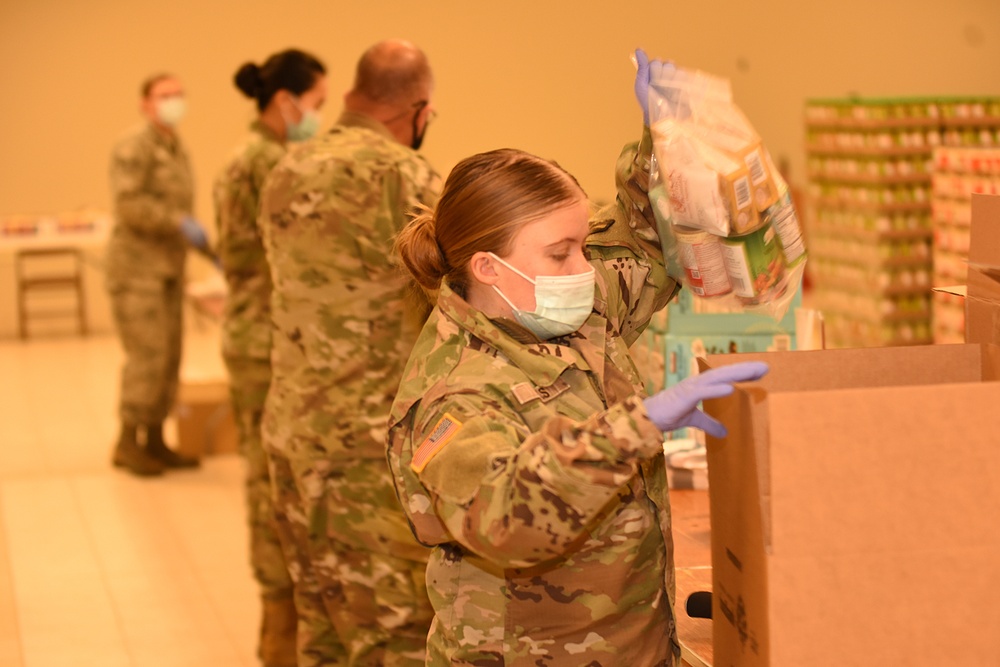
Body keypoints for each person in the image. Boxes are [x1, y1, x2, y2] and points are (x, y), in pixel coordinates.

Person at [387, 50, 768, 665]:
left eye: (583, 247)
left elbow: (643, 241)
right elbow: (506, 514)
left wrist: (665, 139)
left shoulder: (566, 310)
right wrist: (636, 427)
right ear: (488, 267)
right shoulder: (455, 391)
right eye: (561, 253)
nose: (585, 270)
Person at [257, 39, 440, 667]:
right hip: (363, 451)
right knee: (392, 634)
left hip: (290, 435)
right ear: (417, 108)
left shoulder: (286, 169)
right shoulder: (405, 175)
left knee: (323, 630)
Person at [213, 49, 327, 667]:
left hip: (258, 335)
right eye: (315, 105)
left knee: (269, 479)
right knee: (270, 485)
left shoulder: (245, 157)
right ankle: (278, 627)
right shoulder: (268, 163)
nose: (319, 118)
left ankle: (282, 621)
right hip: (268, 344)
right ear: (285, 102)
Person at [107, 73, 211, 476]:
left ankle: (154, 438)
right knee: (147, 357)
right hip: (137, 272)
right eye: (164, 96)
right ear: (145, 103)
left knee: (169, 356)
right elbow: (129, 205)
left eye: (178, 95)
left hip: (168, 271)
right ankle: (127, 441)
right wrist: (176, 222)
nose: (173, 102)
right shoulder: (134, 146)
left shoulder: (174, 147)